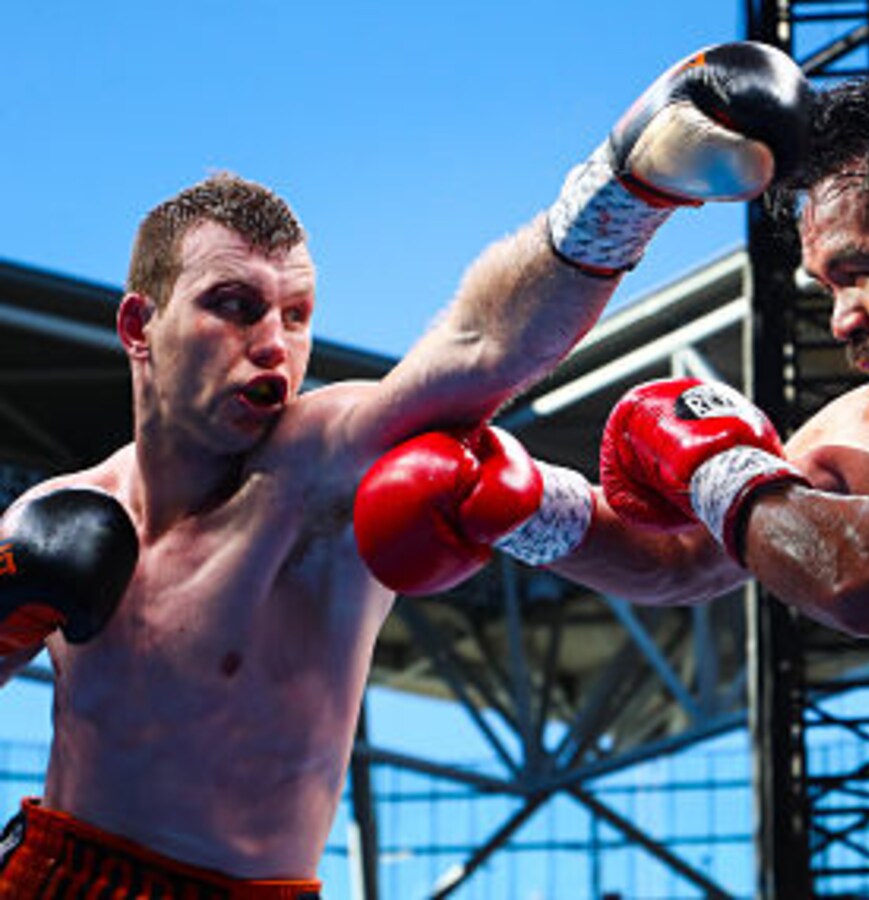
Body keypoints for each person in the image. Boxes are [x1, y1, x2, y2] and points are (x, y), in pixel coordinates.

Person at [0, 43, 813, 896]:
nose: (275, 345)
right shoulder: (66, 510)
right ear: (139, 326)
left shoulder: (317, 466)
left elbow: (482, 342)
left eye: (297, 314)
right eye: (234, 306)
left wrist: (626, 186)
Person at [364, 72, 869, 897]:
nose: (841, 320)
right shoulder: (858, 425)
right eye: (828, 288)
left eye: (862, 270)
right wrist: (520, 502)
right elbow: (687, 558)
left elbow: (867, 573)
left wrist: (710, 461)